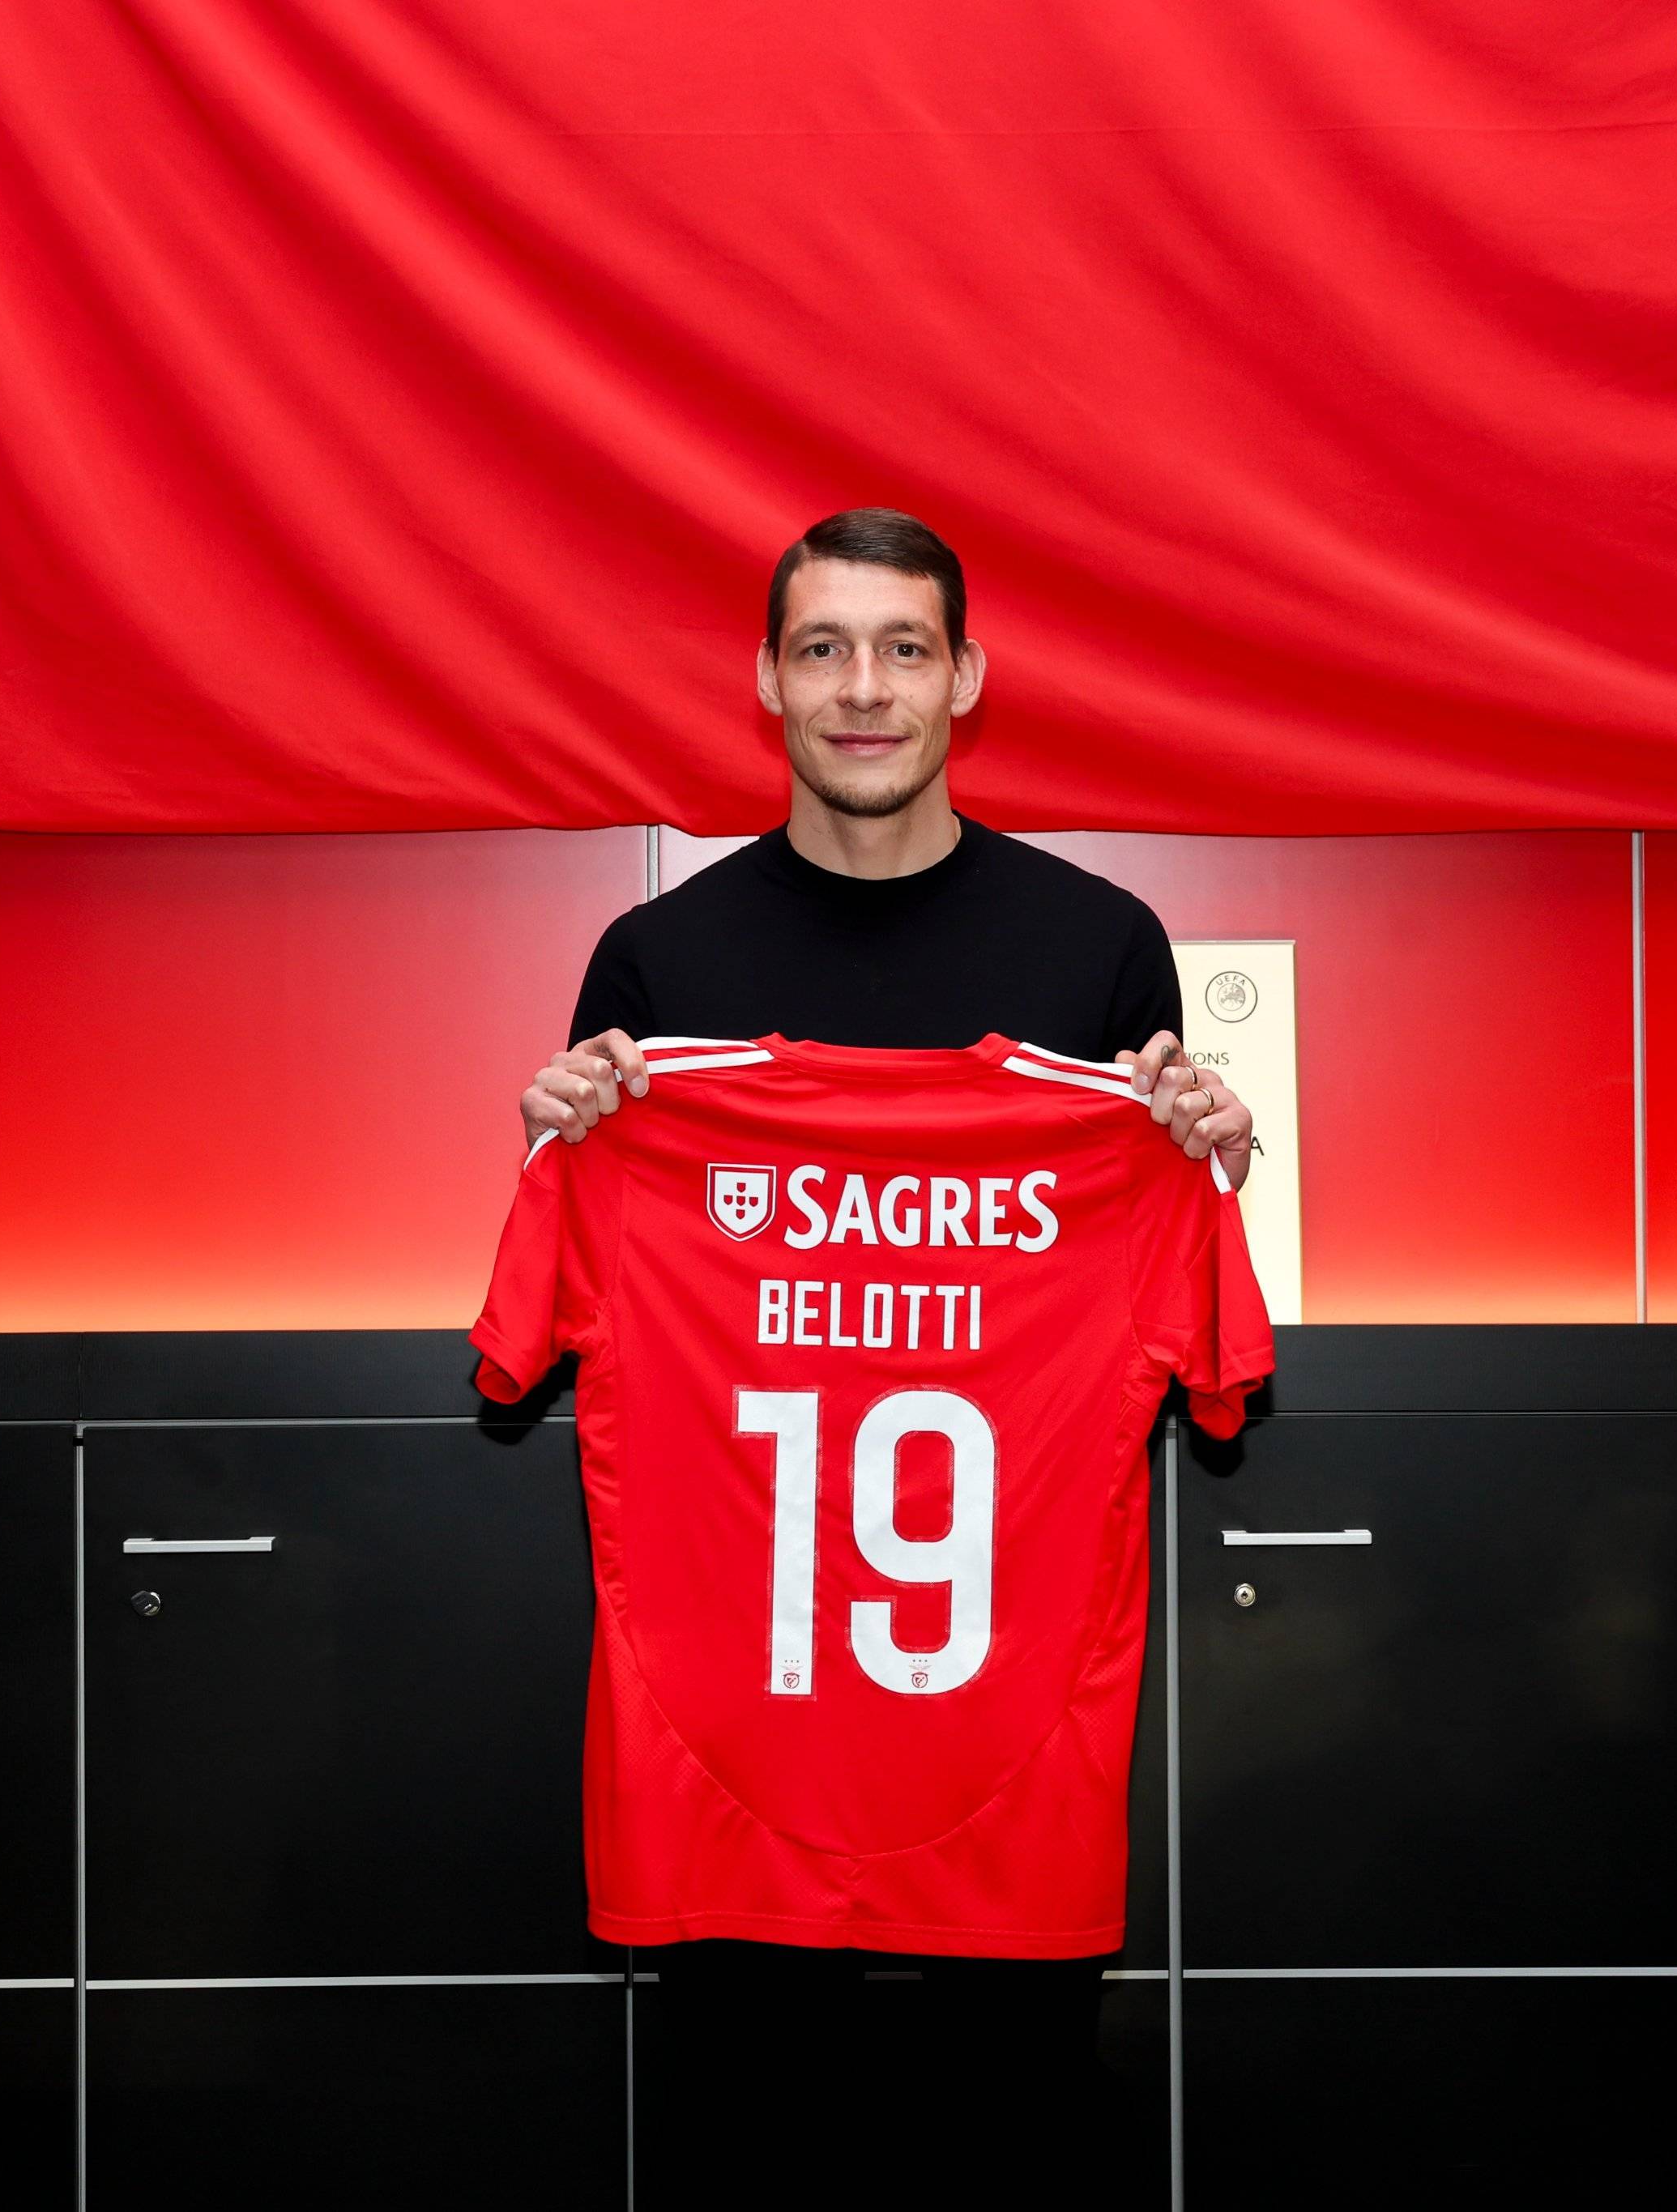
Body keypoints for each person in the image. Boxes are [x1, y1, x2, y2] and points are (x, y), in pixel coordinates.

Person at [514, 509, 1255, 2204]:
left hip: (1006, 1750)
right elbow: (588, 1292)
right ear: (767, 681)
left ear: (965, 679)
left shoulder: (1098, 946)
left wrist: (1210, 1159)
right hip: (737, 1754)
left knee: (1014, 2154)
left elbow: (1179, 1303)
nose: (864, 688)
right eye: (825, 650)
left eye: (903, 649)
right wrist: (560, 1143)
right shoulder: (659, 962)